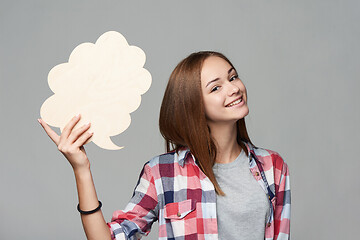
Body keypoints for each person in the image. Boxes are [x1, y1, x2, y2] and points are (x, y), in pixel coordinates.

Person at [38, 51, 291, 240]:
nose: (234, 88)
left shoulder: (272, 166)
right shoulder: (163, 173)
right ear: (193, 106)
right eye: (216, 87)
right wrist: (81, 169)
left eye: (232, 77)